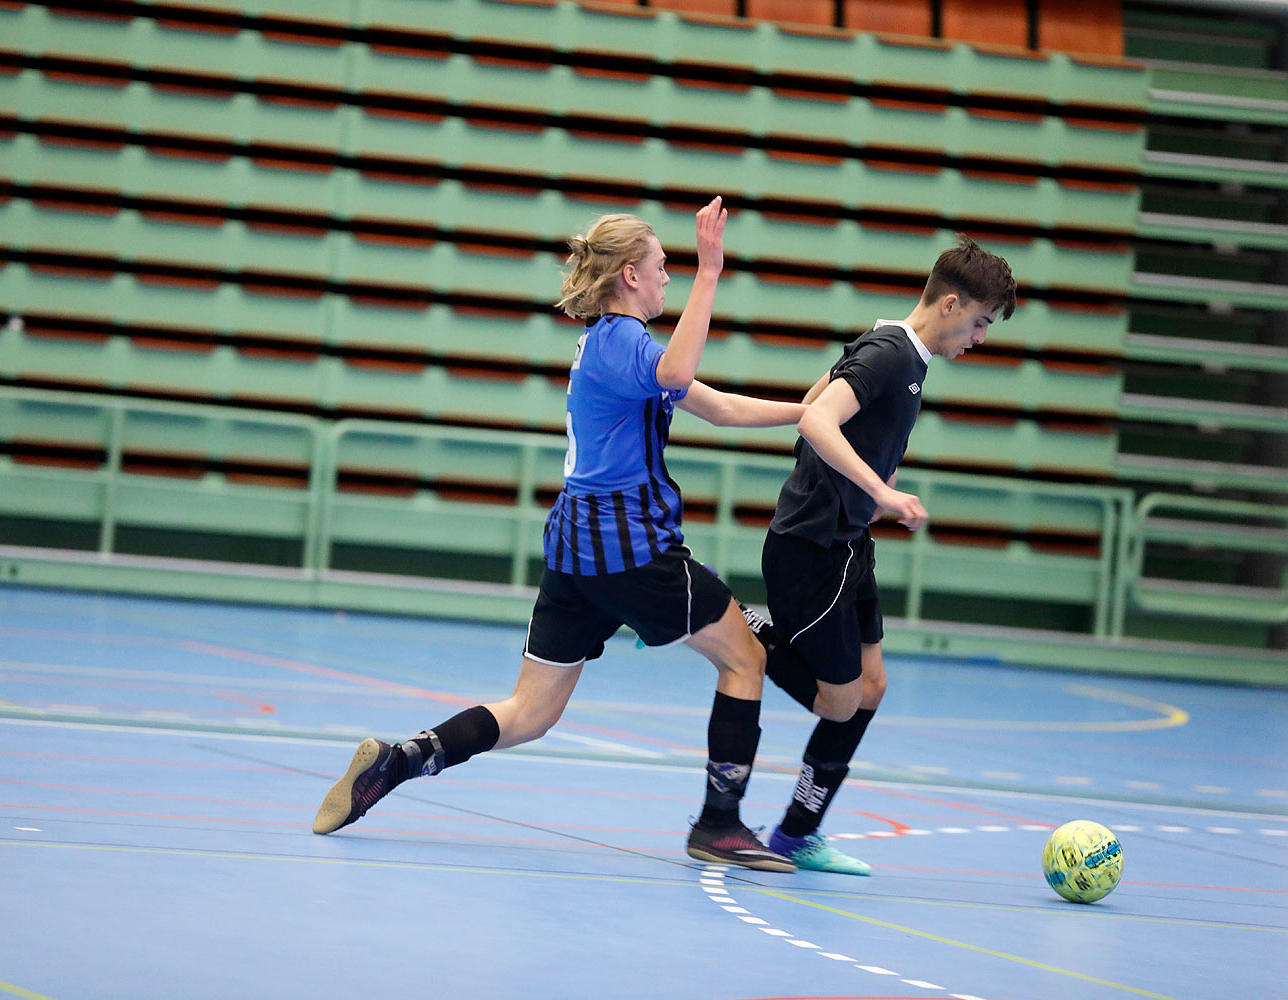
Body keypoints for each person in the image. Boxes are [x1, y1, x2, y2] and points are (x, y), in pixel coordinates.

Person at [313, 197, 808, 872]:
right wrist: (713, 272)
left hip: (579, 549)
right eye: (664, 267)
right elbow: (679, 375)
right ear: (630, 275)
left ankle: (400, 761)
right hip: (629, 546)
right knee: (745, 658)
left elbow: (715, 406)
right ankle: (719, 825)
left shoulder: (610, 348)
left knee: (530, 712)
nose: (669, 278)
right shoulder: (626, 346)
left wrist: (810, 414)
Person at [752, 236, 1016, 875]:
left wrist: (861, 494)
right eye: (980, 322)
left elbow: (814, 406)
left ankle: (795, 833)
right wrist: (880, 490)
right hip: (811, 549)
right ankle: (727, 621)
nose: (980, 337)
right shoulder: (893, 354)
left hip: (849, 543)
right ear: (951, 304)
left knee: (871, 687)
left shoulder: (898, 348)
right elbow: (816, 422)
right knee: (836, 700)